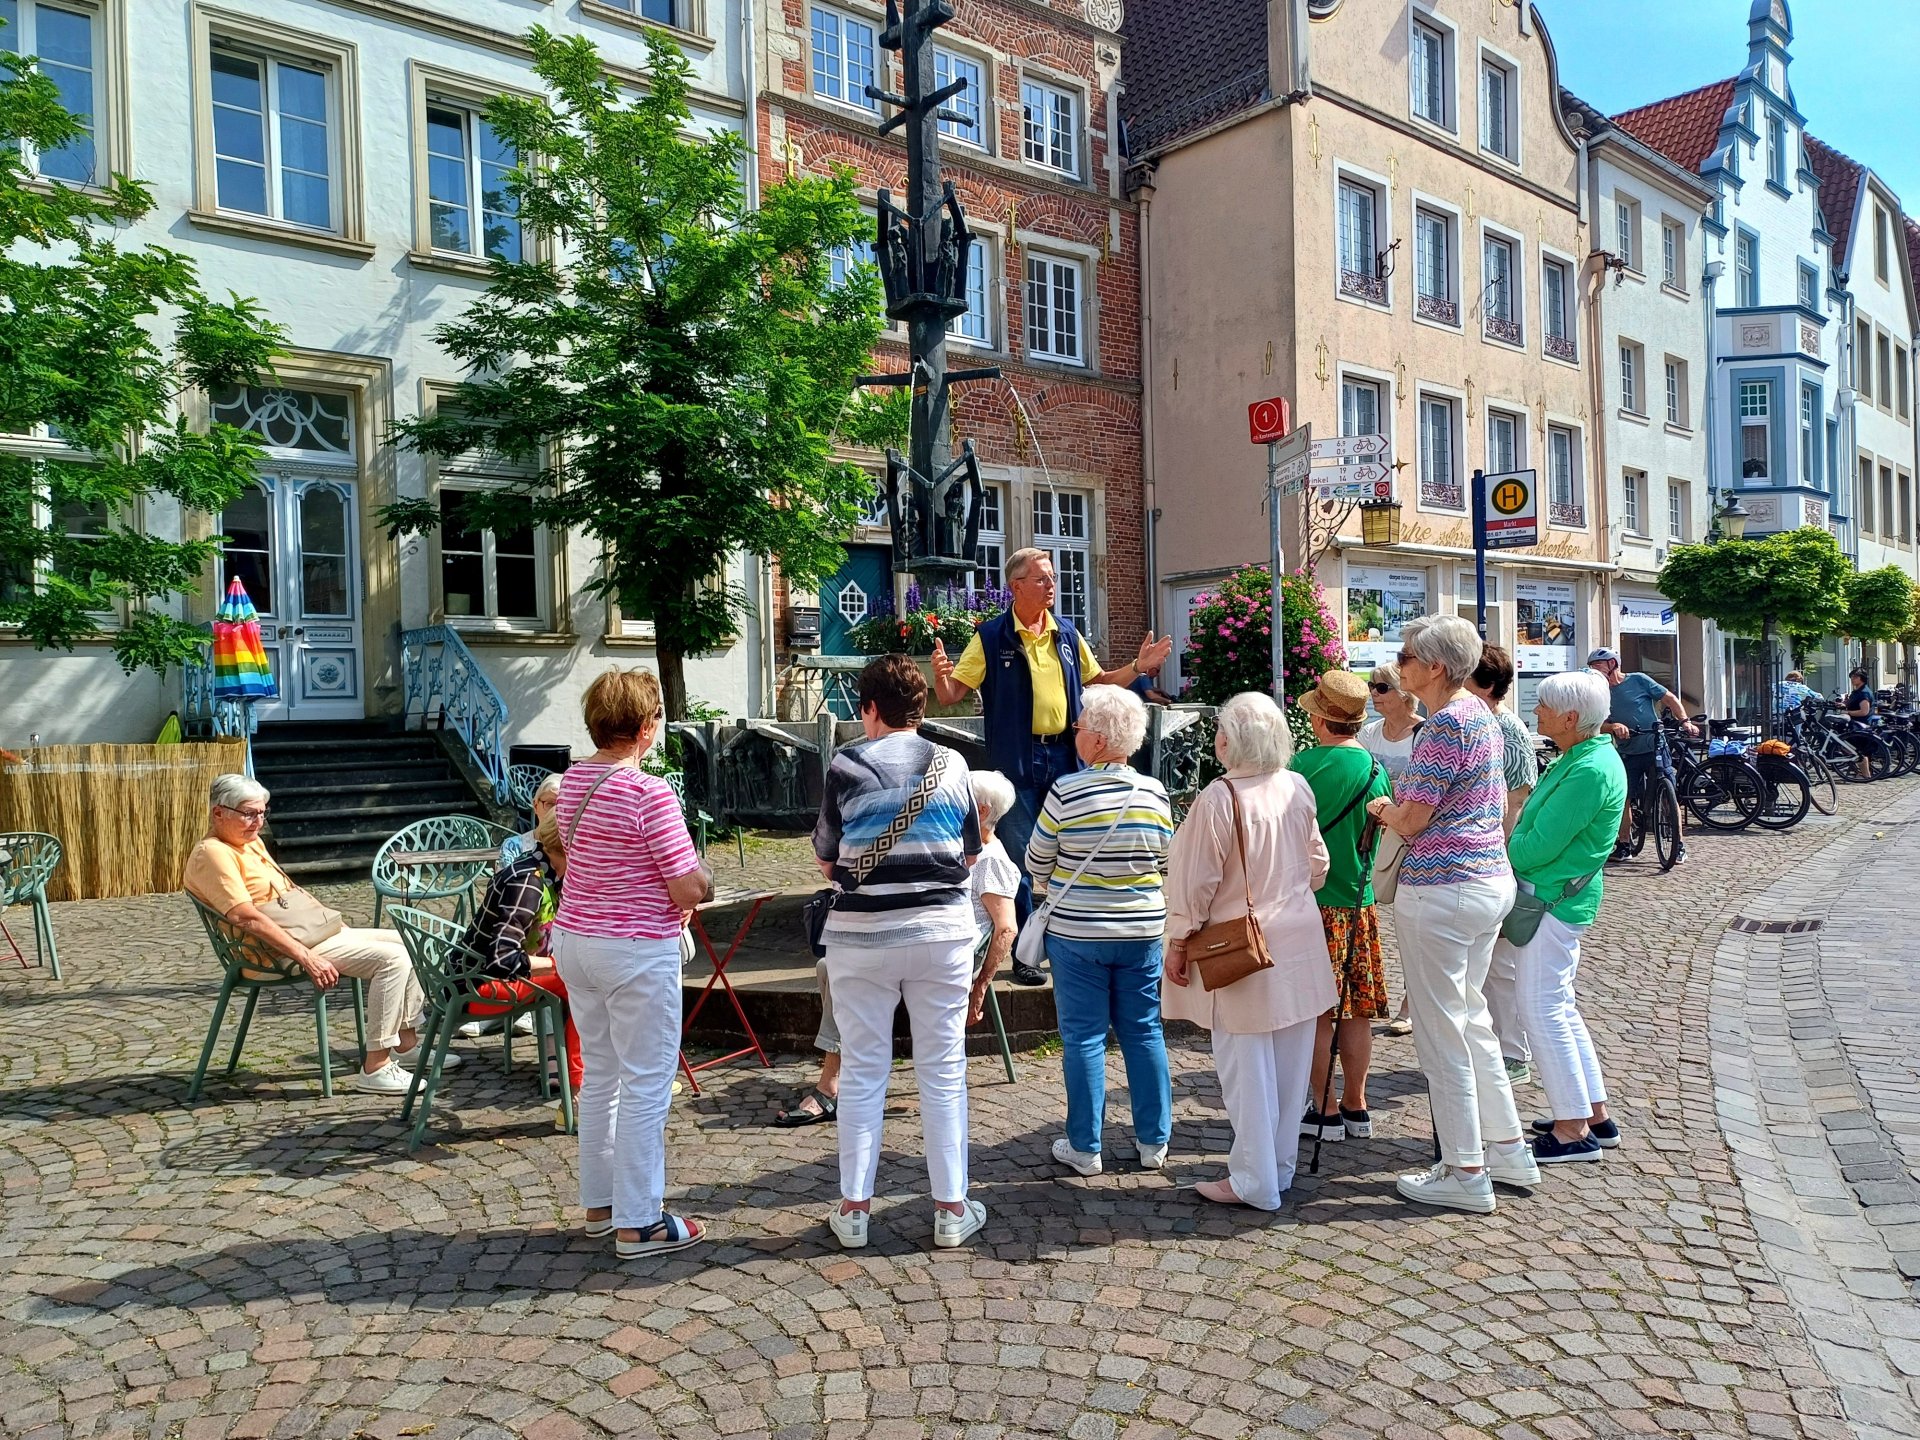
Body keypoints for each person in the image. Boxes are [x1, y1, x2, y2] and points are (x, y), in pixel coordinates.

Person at [813, 654, 988, 1251]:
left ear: (869, 709)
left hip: (861, 939)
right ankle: (951, 1209)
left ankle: (854, 1210)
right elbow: (970, 853)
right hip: (940, 933)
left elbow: (827, 858)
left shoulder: (846, 764)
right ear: (920, 707)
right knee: (943, 1070)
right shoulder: (954, 763)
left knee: (864, 1071)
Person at [1365, 615, 1538, 1215]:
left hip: (1443, 888)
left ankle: (1465, 1170)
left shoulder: (1444, 725)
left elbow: (1414, 819)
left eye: (1406, 656)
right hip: (1486, 880)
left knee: (1443, 1035)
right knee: (1472, 1022)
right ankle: (1508, 1150)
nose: (1399, 665)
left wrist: (1383, 808)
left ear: (1435, 667)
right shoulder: (1481, 715)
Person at [550, 668, 712, 1260]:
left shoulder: (573, 782)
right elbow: (685, 885)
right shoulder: (649, 792)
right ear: (646, 727)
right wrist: (707, 880)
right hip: (634, 948)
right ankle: (640, 1222)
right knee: (646, 1083)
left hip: (576, 939)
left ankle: (601, 1205)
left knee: (601, 1077)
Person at [930, 547, 1173, 921]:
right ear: (1016, 586)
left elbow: (1100, 681)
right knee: (1019, 854)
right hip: (1016, 758)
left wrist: (1138, 666)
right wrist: (941, 674)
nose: (1051, 585)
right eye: (1042, 578)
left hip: (1066, 755)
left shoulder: (1066, 633)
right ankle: (1022, 938)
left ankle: (1071, 923)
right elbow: (950, 696)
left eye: (1053, 578)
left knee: (1076, 842)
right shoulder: (991, 637)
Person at [778, 768, 1020, 1129]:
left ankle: (834, 1083)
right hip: (921, 944)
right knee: (835, 965)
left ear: (981, 812)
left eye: (959, 800)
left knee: (845, 970)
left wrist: (981, 985)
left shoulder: (991, 860)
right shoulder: (951, 846)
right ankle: (846, 1074)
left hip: (949, 958)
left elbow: (1006, 929)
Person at [1164, 693, 1333, 1209]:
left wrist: (1179, 940)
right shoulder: (1296, 785)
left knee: (1247, 1068)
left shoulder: (1220, 797)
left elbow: (1195, 883)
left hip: (1242, 943)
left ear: (1230, 741)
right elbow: (1318, 865)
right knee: (1290, 1064)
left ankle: (1254, 1180)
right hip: (1298, 935)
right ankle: (1276, 1170)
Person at [184, 774, 449, 1094]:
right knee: (392, 960)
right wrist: (306, 957)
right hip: (272, 954)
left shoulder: (249, 842)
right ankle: (376, 1067)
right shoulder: (213, 853)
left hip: (309, 936)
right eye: (249, 814)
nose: (258, 823)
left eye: (263, 813)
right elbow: (244, 917)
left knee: (410, 943)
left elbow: (288, 891)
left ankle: (406, 1046)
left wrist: (334, 923)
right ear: (218, 813)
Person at [1026, 686, 1175, 1177]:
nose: (1074, 734)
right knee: (1144, 1031)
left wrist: (1059, 881)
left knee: (1084, 1037)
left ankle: (1085, 1146)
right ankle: (1154, 1142)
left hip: (1078, 933)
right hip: (1141, 929)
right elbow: (1164, 860)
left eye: (1079, 726)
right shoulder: (1154, 792)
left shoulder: (1066, 791)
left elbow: (1036, 859)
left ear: (1096, 739)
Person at [1501, 670, 1629, 1164]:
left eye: (1544, 706)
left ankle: (1573, 1130)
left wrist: (1505, 844)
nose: (1536, 711)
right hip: (1560, 897)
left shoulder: (1589, 768)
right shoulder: (1584, 757)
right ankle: (1593, 1115)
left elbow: (1535, 848)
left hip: (1552, 899)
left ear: (1571, 718)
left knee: (1542, 1010)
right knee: (1558, 1006)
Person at [1290, 672, 1393, 1145]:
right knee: (1357, 1013)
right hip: (1358, 904)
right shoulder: (1375, 769)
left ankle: (1324, 1107)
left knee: (1317, 1013)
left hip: (1312, 905)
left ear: (1320, 718)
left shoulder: (1301, 768)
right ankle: (1357, 1103)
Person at [460, 804, 581, 1117]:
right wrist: (557, 965)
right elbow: (502, 959)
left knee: (587, 976)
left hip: (485, 977)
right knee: (583, 984)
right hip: (477, 987)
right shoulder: (529, 882)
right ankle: (580, 1092)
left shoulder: (546, 869)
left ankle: (583, 1079)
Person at [1466, 644, 1538, 1089]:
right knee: (1489, 964)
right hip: (1492, 859)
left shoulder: (1505, 727)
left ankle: (1513, 1053)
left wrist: (1500, 855)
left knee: (1502, 966)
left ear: (1488, 685)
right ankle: (1496, 1049)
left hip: (1501, 859)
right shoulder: (1484, 722)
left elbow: (1516, 799)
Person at [1587, 647, 1696, 862]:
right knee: (1623, 798)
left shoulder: (1638, 680)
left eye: (1598, 665)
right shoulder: (1598, 692)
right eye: (1592, 667)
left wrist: (1685, 721)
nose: (1594, 670)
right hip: (1628, 751)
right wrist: (1613, 726)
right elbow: (1595, 723)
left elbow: (1669, 698)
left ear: (1612, 664)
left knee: (1669, 793)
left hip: (1655, 745)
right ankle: (1624, 844)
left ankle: (1678, 845)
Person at [1360, 661, 1422, 1035]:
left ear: (1404, 693)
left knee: (1413, 930)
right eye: (1371, 686)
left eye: (1382, 687)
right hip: (1375, 841)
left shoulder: (1424, 734)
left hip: (1412, 843)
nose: (1374, 694)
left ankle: (1410, 1006)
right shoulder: (1370, 734)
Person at [500, 771, 563, 865]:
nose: (555, 811)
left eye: (563, 805)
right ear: (536, 806)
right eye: (550, 804)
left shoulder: (576, 848)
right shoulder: (514, 847)